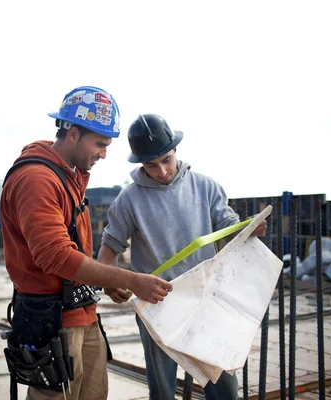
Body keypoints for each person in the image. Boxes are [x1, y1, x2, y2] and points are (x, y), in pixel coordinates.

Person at [0, 88, 173, 400]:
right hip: (54, 322)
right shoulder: (37, 180)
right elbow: (56, 257)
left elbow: (73, 251)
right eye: (100, 144)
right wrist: (130, 279)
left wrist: (105, 283)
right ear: (73, 133)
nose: (104, 153)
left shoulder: (67, 175)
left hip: (81, 314)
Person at [97, 114, 267, 400]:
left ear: (175, 150)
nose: (161, 170)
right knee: (162, 389)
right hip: (156, 303)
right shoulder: (128, 199)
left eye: (166, 159)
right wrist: (108, 279)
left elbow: (229, 227)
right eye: (151, 165)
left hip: (206, 298)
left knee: (222, 382)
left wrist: (249, 228)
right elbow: (109, 248)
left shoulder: (206, 187)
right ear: (140, 163)